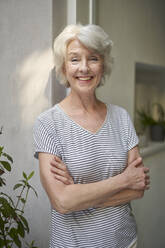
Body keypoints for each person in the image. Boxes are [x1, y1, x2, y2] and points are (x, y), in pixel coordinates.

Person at [33, 24, 150, 248]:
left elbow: (138, 189)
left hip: (125, 241)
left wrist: (79, 194)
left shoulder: (122, 118)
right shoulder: (48, 124)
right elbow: (62, 201)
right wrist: (122, 180)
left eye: (93, 58)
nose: (84, 68)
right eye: (75, 59)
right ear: (63, 67)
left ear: (103, 65)